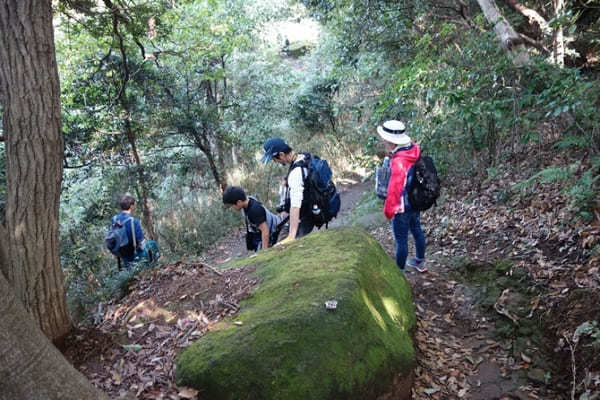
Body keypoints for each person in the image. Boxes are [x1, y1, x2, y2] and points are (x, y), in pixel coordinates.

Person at [377, 120, 427, 273]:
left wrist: (388, 211)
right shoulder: (412, 149)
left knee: (401, 241)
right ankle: (419, 261)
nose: (383, 140)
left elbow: (394, 189)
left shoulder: (399, 162)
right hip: (415, 200)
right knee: (417, 230)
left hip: (401, 207)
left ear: (390, 140)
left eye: (384, 138)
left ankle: (399, 272)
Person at [261, 137, 314, 243]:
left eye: (274, 159)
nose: (275, 161)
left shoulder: (296, 173)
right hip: (308, 212)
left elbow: (295, 206)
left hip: (302, 218)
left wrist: (291, 235)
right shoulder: (303, 157)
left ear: (281, 154)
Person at [222, 186, 284, 251]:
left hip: (277, 231)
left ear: (239, 202)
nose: (232, 208)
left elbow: (265, 231)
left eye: (232, 205)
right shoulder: (247, 202)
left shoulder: (254, 210)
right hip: (267, 232)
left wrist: (264, 252)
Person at [110, 194, 159, 270]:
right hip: (134, 254)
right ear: (131, 206)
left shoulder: (114, 219)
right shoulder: (133, 221)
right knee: (152, 244)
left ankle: (129, 271)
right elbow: (141, 242)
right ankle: (153, 268)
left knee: (129, 268)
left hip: (122, 254)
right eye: (134, 204)